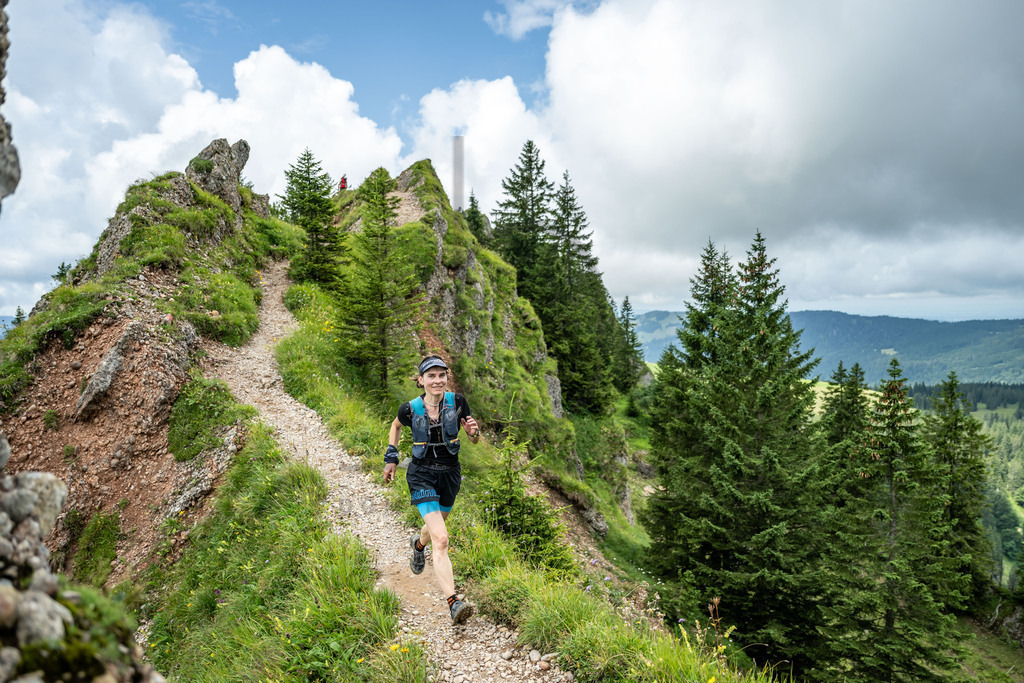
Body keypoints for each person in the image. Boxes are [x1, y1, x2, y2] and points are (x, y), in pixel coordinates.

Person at [383, 355, 481, 624]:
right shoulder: (409, 409)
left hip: (450, 475)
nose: (437, 380)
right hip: (421, 475)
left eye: (442, 375)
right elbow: (395, 426)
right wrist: (391, 457)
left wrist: (474, 433)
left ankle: (417, 544)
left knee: (433, 532)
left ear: (446, 378)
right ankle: (453, 602)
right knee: (442, 539)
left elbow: (472, 440)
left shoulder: (458, 403)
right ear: (421, 380)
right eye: (431, 376)